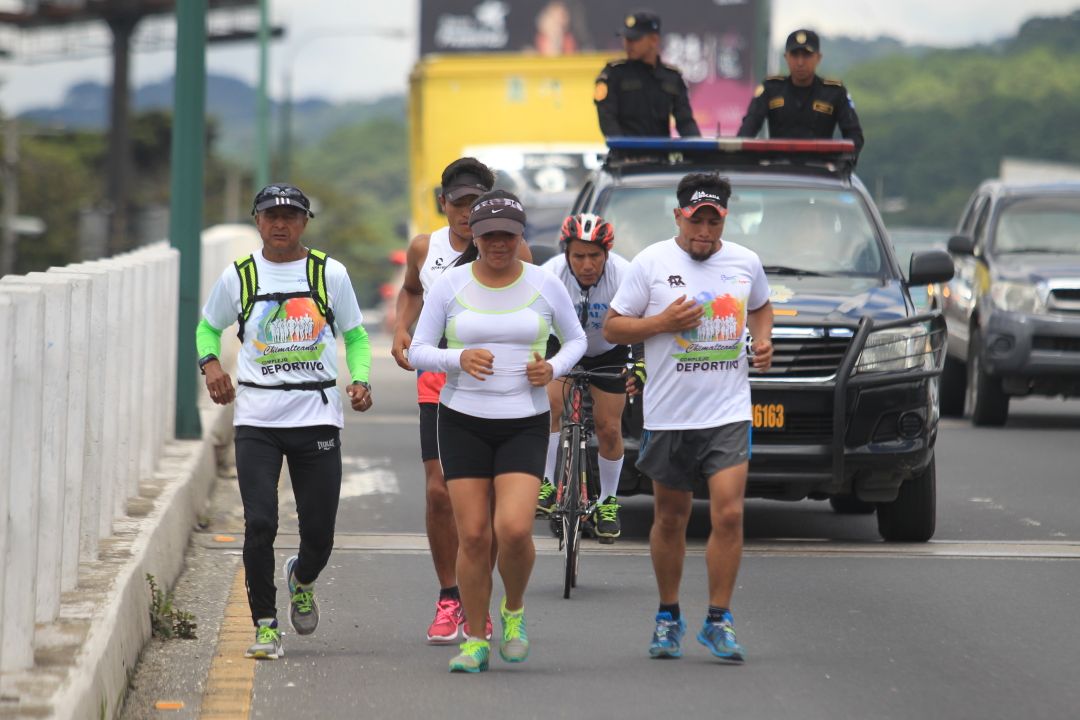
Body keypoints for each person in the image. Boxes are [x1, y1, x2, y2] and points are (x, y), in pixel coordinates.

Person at [409, 190, 587, 673]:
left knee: (511, 530)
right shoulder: (450, 286)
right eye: (489, 235)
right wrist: (456, 358)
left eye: (507, 234)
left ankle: (513, 611)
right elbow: (417, 349)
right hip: (462, 419)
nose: (498, 244)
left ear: (520, 235)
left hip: (523, 422)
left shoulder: (543, 283)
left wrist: (551, 368)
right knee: (472, 536)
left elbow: (577, 340)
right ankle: (475, 636)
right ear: (477, 236)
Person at [196, 183, 374, 660]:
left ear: (304, 222)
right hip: (257, 418)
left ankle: (303, 576)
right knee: (260, 523)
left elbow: (355, 336)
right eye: (271, 215)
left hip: (316, 418)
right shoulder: (239, 276)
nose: (280, 224)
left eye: (290, 216)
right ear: (257, 221)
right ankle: (266, 626)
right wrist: (211, 364)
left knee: (319, 534)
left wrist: (360, 379)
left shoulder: (328, 273)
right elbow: (206, 326)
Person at [603, 172, 774, 662]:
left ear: (724, 220)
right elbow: (613, 327)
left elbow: (761, 307)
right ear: (678, 216)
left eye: (713, 221)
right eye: (695, 220)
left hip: (727, 412)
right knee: (672, 518)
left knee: (728, 513)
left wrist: (763, 342)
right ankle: (668, 615)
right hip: (669, 415)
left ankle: (718, 620)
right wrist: (661, 324)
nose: (704, 231)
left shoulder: (745, 263)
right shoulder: (651, 263)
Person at [390, 158, 531, 645]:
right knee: (437, 492)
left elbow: (537, 306)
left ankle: (480, 603)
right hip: (438, 379)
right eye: (459, 202)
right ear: (442, 202)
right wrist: (401, 329)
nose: (468, 212)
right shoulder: (424, 248)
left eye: (477, 202)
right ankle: (449, 596)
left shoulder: (512, 249)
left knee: (485, 503)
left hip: (497, 385)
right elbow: (410, 292)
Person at [536, 213, 633, 543]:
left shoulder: (625, 274)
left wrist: (642, 363)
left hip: (609, 350)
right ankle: (547, 484)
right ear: (566, 253)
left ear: (607, 253)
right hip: (562, 345)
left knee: (609, 427)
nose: (587, 264)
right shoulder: (550, 273)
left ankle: (608, 501)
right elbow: (531, 320)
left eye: (595, 255)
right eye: (579, 256)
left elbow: (644, 320)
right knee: (549, 407)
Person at [737, 29, 864, 154]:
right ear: (786, 57)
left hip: (821, 170)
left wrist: (839, 165)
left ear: (818, 58)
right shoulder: (771, 89)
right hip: (778, 169)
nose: (800, 62)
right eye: (795, 55)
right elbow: (747, 131)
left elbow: (855, 137)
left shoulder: (834, 92)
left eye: (806, 55)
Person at [594, 11, 701, 138]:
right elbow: (608, 120)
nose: (628, 44)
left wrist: (699, 150)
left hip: (661, 155)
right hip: (623, 155)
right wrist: (625, 149)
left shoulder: (672, 78)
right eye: (626, 38)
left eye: (635, 39)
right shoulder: (613, 75)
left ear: (654, 40)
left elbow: (685, 121)